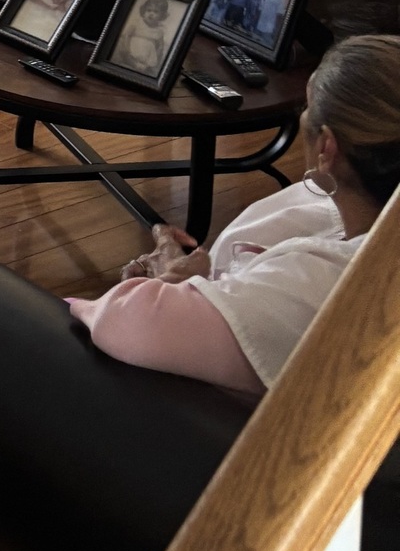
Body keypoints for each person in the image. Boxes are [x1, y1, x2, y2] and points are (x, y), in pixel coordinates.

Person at [67, 33, 400, 394]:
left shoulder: (321, 282)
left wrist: (174, 278)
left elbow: (123, 320)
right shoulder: (332, 207)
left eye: (307, 109)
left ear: (326, 148)